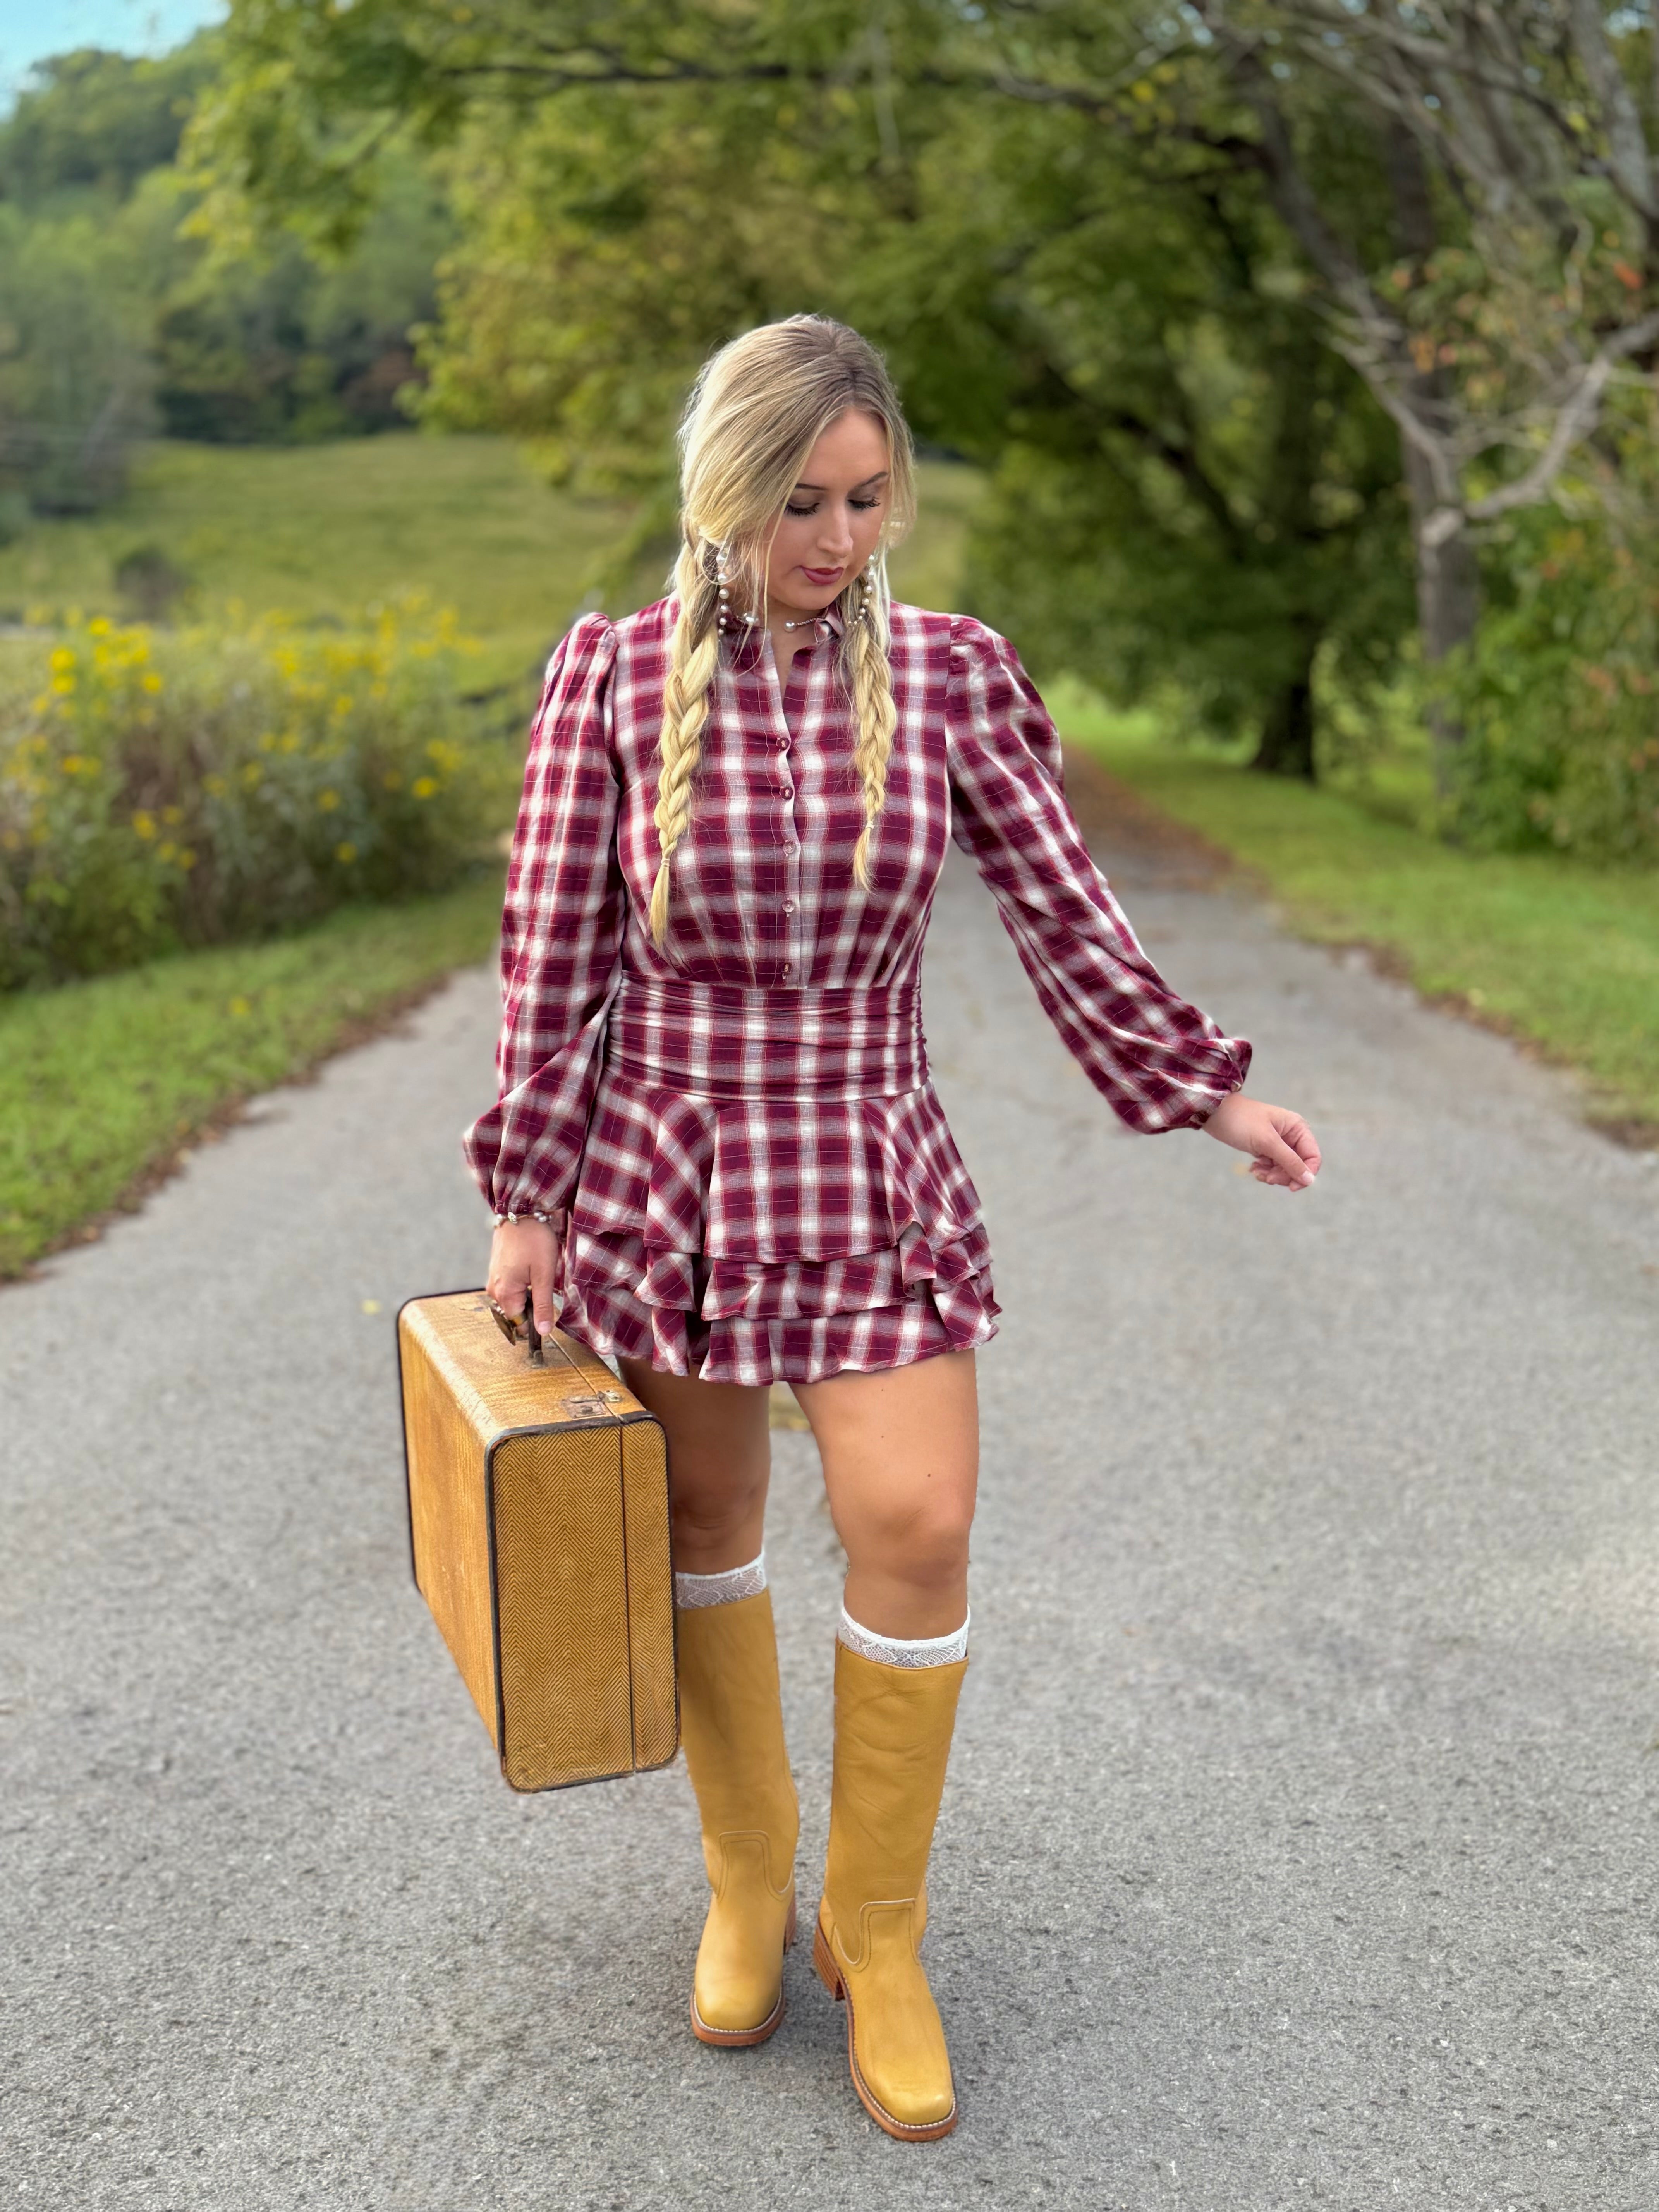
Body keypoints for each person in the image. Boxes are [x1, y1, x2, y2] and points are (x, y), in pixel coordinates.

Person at [465, 315, 1320, 2142]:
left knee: (916, 1521)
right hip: (664, 1161)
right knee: (703, 1522)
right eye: (800, 503)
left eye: (866, 500)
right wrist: (524, 1193)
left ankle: (883, 1924)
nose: (839, 541)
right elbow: (552, 959)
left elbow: (1069, 915)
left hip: (869, 1143)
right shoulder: (611, 678)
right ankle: (750, 1878)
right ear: (724, 495)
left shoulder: (949, 677)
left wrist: (1207, 1087)